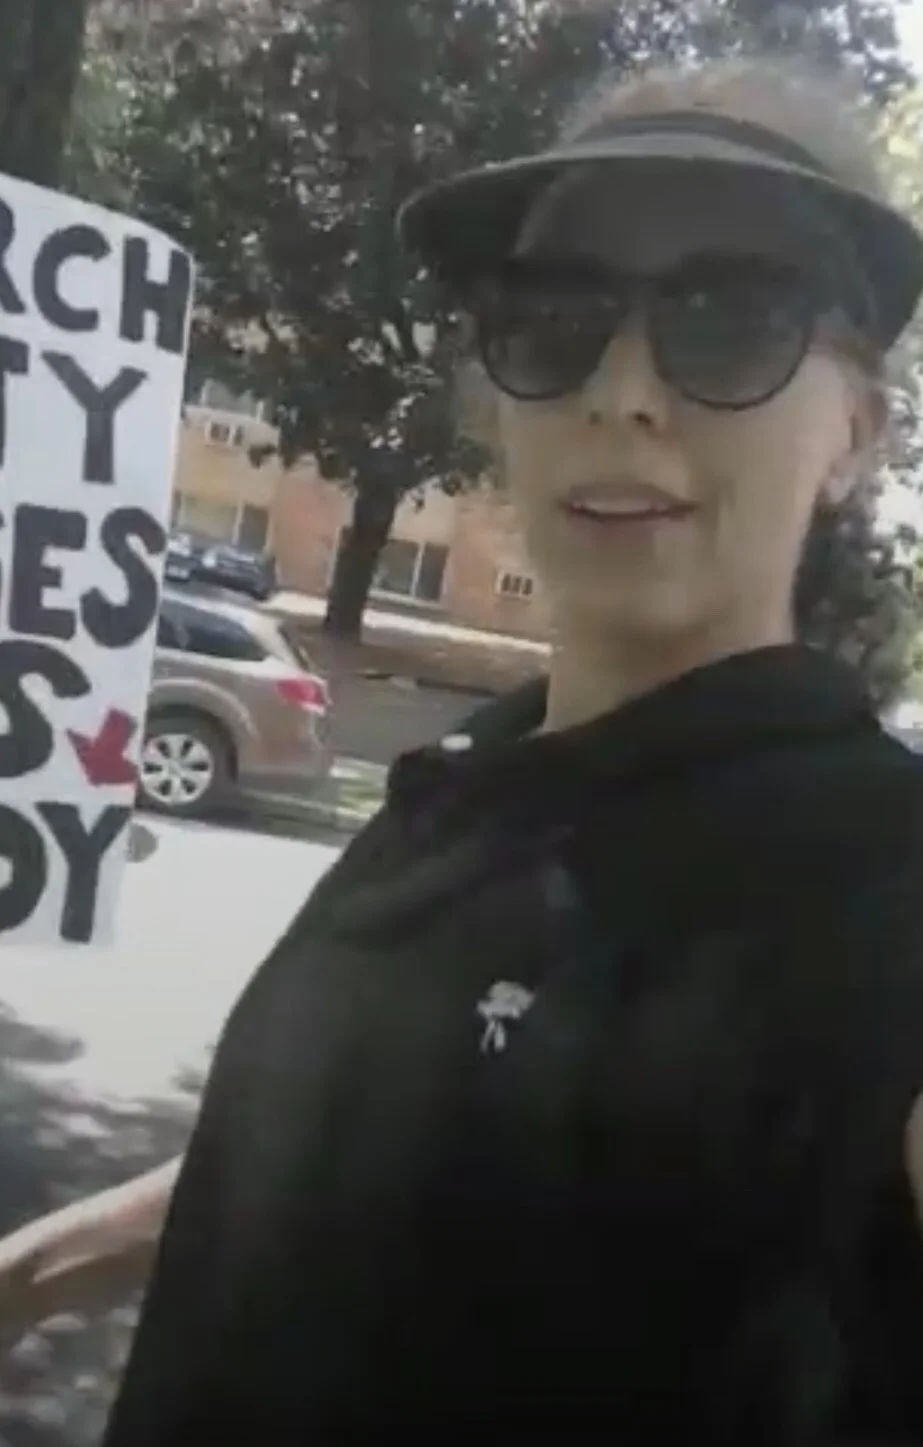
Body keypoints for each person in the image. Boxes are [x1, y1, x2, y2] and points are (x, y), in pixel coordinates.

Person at [101, 56, 923, 1444]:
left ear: (855, 432)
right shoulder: (458, 791)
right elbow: (355, 1154)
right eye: (553, 320)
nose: (622, 390)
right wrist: (31, 1270)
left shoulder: (881, 891)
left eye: (729, 317)